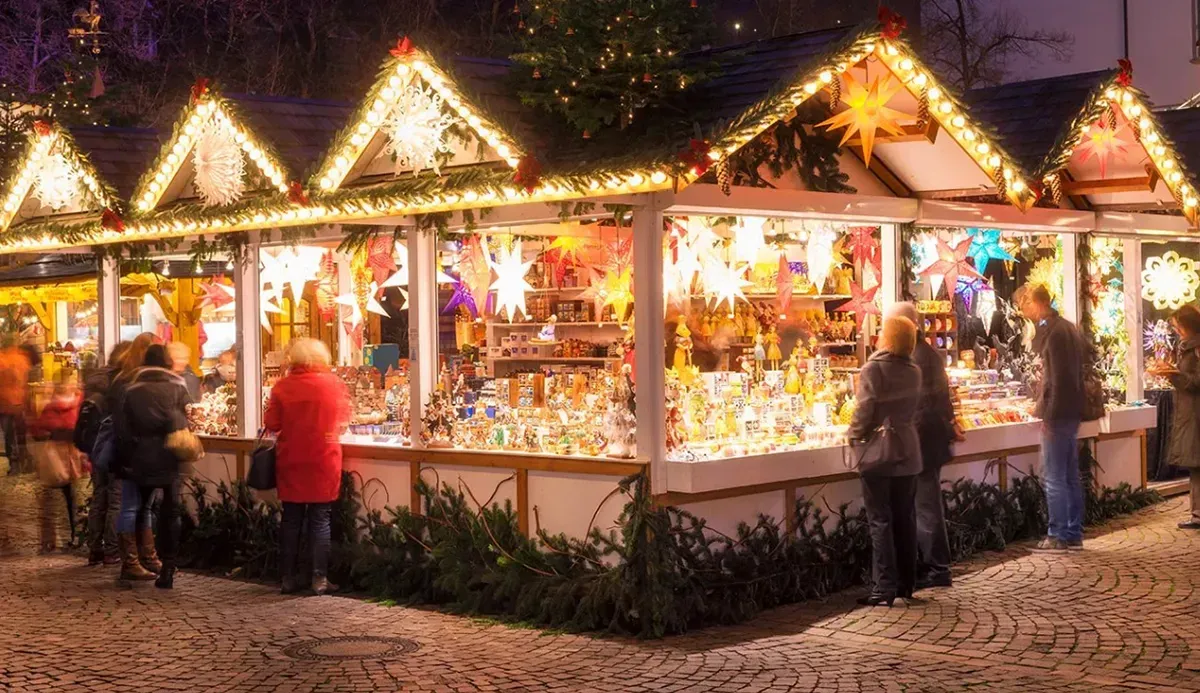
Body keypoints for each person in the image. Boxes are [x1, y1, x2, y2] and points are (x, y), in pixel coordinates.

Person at [264, 338, 350, 596]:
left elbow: (272, 422)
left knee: (291, 520)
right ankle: (319, 578)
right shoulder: (333, 385)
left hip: (292, 458)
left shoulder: (282, 387)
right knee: (321, 518)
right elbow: (344, 419)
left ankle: (288, 578)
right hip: (323, 458)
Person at [848, 316, 923, 606]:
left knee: (880, 520)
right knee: (905, 518)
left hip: (880, 452)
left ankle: (883, 587)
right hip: (908, 451)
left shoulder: (873, 369)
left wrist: (854, 434)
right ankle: (906, 584)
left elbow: (865, 409)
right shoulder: (914, 370)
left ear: (887, 338)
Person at [885, 302, 958, 589]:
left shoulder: (918, 357)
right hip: (925, 441)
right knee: (924, 505)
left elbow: (924, 406)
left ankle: (937, 567)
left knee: (926, 505)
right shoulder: (923, 354)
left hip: (923, 443)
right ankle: (930, 563)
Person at [113, 343, 192, 589]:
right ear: (168, 362)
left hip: (141, 457)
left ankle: (137, 560)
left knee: (139, 509)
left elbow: (123, 429)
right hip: (170, 455)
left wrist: (128, 457)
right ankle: (167, 567)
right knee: (171, 512)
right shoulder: (178, 386)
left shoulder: (132, 388)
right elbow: (184, 420)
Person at [1023, 283, 1086, 552]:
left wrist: (1047, 413)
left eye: (1024, 305)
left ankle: (1058, 533)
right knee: (1069, 475)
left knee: (1055, 476)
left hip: (1058, 412)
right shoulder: (1067, 327)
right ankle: (1073, 532)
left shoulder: (1055, 332)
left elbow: (1058, 378)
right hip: (1070, 410)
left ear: (1035, 302)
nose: (1024, 312)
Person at [110, 332, 160, 581]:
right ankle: (131, 561)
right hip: (131, 453)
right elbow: (123, 423)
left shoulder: (131, 379)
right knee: (131, 506)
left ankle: (146, 557)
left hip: (141, 452)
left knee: (144, 506)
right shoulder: (128, 381)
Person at [83, 341, 131, 566]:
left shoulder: (94, 379)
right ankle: (112, 550)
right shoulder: (119, 382)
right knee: (116, 499)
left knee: (99, 496)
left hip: (95, 445)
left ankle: (95, 548)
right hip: (112, 444)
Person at [1152, 305, 1200, 529]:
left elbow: (1195, 381)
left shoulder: (1196, 349)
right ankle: (1197, 513)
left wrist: (1175, 375)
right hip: (1189, 412)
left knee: (1196, 463)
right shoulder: (1186, 348)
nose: (1176, 330)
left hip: (1196, 413)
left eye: (1178, 326)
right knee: (1194, 465)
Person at [32, 379, 83, 551]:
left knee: (50, 498)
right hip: (72, 453)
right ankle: (74, 533)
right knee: (72, 496)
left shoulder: (50, 407)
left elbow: (38, 429)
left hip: (54, 454)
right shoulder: (78, 403)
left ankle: (50, 539)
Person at [0, 338, 31, 475]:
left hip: (5, 403)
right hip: (21, 402)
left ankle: (14, 464)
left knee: (9, 435)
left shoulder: (2, 360)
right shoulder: (22, 359)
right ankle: (25, 462)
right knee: (21, 434)